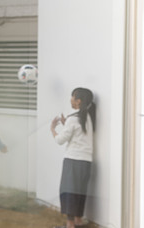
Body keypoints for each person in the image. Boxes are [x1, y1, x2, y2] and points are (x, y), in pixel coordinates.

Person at [50, 88, 96, 228]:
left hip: (73, 161)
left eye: (72, 97)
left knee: (68, 191)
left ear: (78, 101)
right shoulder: (88, 117)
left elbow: (60, 140)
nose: (70, 99)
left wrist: (53, 129)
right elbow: (78, 134)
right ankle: (78, 221)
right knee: (79, 191)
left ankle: (70, 224)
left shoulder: (73, 118)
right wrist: (66, 125)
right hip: (86, 162)